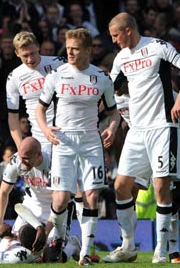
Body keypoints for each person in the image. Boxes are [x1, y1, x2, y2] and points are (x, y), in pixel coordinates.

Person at [104, 12, 180, 264]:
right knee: (120, 186)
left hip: (162, 126)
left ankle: (161, 251)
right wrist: (111, 125)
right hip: (137, 130)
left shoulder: (157, 46)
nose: (113, 41)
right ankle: (128, 247)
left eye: (115, 35)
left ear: (127, 31)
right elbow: (108, 92)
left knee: (160, 186)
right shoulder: (121, 58)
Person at [35, 28, 120, 266]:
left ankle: (86, 253)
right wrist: (45, 129)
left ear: (88, 50)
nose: (69, 52)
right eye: (68, 47)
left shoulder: (102, 78)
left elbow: (114, 113)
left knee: (92, 195)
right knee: (61, 200)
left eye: (75, 48)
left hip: (91, 143)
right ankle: (59, 238)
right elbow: (40, 109)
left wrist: (112, 128)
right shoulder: (56, 75)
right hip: (63, 142)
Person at [6, 31, 66, 152]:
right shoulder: (14, 77)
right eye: (25, 55)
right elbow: (13, 116)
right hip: (40, 139)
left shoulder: (59, 63)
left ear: (38, 47)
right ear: (17, 53)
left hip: (67, 132)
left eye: (32, 53)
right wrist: (20, 147)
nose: (30, 59)